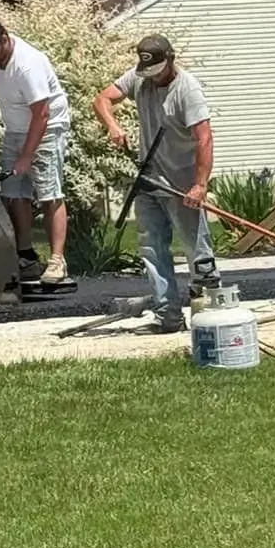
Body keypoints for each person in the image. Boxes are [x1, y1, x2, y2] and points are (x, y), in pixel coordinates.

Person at [93, 34, 218, 332]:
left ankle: (211, 313)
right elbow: (102, 98)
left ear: (171, 60)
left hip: (182, 183)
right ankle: (168, 317)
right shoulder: (140, 79)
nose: (152, 77)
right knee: (151, 247)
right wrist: (112, 124)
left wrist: (199, 185)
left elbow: (204, 138)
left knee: (195, 248)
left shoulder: (187, 90)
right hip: (149, 178)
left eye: (158, 70)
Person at [0, 16, 72, 285]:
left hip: (46, 130)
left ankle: (57, 261)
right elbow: (0, 75)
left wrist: (26, 156)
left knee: (50, 193)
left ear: (4, 39)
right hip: (15, 129)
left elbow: (42, 114)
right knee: (14, 193)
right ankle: (26, 256)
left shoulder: (28, 65)